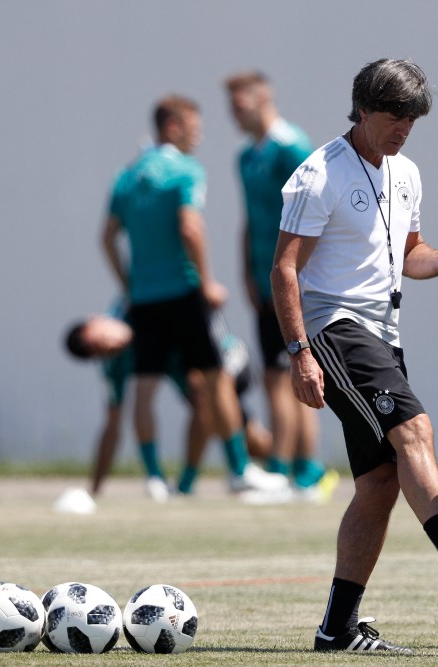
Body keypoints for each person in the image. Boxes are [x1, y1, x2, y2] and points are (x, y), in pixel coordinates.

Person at [271, 58, 438, 653]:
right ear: (361, 108)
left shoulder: (405, 172)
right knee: (417, 426)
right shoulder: (318, 175)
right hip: (335, 327)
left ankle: (336, 630)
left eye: (411, 117)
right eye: (392, 115)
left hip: (382, 335)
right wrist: (300, 353)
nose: (403, 127)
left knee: (379, 483)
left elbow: (410, 255)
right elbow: (284, 270)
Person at [101, 96, 287, 504]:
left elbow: (107, 236)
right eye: (193, 125)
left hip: (144, 299)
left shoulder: (128, 175)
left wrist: (129, 285)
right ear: (172, 127)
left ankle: (153, 478)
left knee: (144, 387)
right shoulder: (185, 170)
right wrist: (206, 282)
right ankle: (239, 470)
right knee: (217, 375)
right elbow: (190, 226)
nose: (200, 134)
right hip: (184, 292)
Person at [224, 70, 335, 500]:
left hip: (293, 280)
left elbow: (316, 216)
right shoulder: (244, 157)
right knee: (283, 375)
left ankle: (284, 470)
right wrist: (247, 272)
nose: (234, 114)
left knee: (281, 375)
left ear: (262, 97)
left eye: (239, 104)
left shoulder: (292, 148)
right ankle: (305, 471)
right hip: (263, 280)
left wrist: (303, 275)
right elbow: (250, 222)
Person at [62, 306, 276, 505]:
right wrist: (94, 490)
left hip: (224, 357)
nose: (108, 344)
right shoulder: (115, 364)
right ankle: (287, 470)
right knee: (253, 441)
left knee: (207, 398)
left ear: (96, 320)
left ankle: (212, 478)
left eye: (100, 337)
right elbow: (112, 426)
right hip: (195, 385)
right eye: (100, 349)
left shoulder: (134, 306)